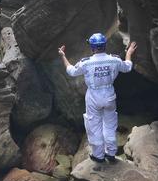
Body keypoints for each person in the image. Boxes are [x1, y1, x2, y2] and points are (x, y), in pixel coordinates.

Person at [58, 34, 137, 163]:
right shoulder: (114, 60)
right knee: (110, 125)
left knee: (94, 125)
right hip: (109, 95)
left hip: (93, 96)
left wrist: (63, 56)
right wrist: (128, 53)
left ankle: (98, 156)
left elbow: (71, 71)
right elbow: (127, 67)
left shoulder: (86, 62)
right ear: (105, 45)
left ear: (92, 47)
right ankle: (111, 153)